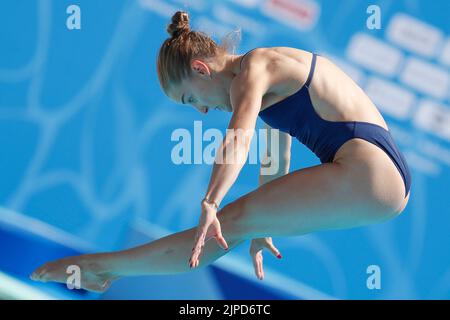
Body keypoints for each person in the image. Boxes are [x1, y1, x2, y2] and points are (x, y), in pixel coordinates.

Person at [30, 11, 411, 293]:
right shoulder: (267, 78)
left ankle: (101, 268)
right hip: (377, 172)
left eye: (191, 97)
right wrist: (269, 224)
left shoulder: (256, 68)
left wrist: (210, 200)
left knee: (229, 219)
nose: (201, 110)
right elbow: (276, 154)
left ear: (201, 68)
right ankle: (103, 269)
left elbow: (238, 139)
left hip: (371, 171)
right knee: (243, 220)